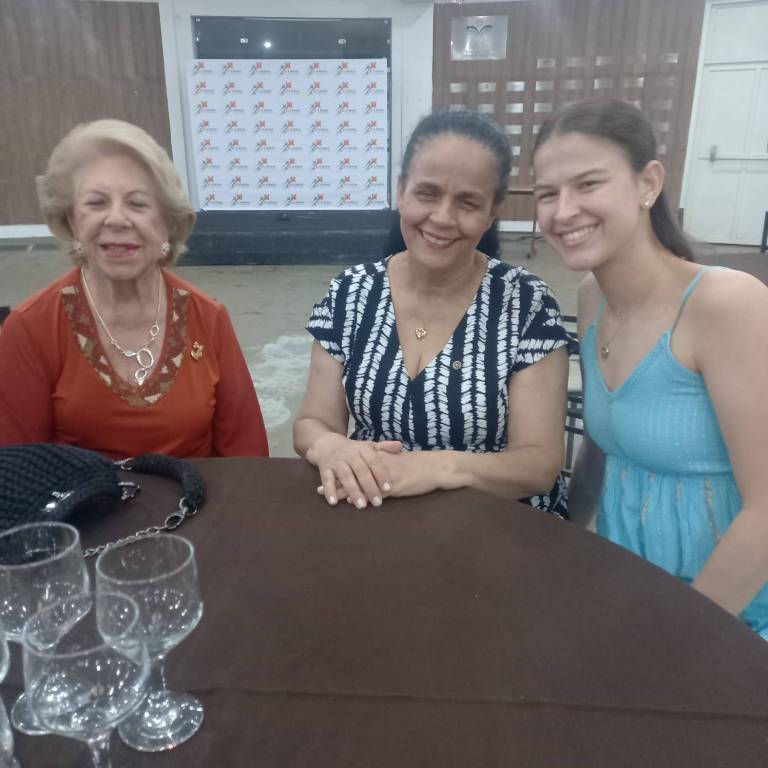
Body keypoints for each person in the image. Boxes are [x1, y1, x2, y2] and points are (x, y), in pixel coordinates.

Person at [531, 97, 768, 637]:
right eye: (547, 193)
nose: (563, 211)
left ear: (648, 183)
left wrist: (679, 643)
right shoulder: (591, 297)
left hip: (729, 622)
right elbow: (599, 450)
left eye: (588, 184)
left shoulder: (726, 304)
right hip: (631, 596)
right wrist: (563, 548)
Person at [294, 109, 570, 516]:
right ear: (401, 190)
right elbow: (312, 423)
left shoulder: (526, 305)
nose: (442, 218)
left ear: (493, 210)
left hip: (500, 523)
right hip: (377, 515)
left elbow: (538, 465)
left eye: (468, 202)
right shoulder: (351, 293)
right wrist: (330, 445)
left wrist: (432, 469)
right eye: (427, 193)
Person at [0, 119, 269, 459]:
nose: (116, 219)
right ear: (71, 220)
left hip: (198, 493)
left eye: (138, 204)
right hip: (76, 495)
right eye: (96, 203)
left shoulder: (209, 318)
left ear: (168, 223)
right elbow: (16, 472)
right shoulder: (30, 328)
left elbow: (248, 461)